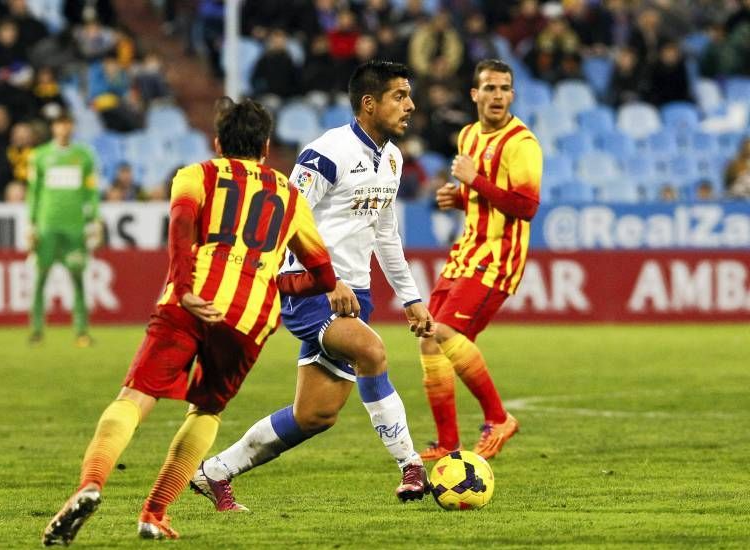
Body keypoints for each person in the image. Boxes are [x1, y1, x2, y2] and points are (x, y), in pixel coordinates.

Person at [41, 98, 336, 546]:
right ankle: (154, 513)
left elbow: (179, 229)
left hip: (188, 301)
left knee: (135, 396)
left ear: (217, 142)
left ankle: (91, 483)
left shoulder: (195, 175)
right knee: (208, 410)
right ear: (267, 146)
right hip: (248, 319)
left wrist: (183, 288)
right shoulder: (290, 197)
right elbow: (321, 274)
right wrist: (273, 287)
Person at [191, 60, 434, 512]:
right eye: (399, 96)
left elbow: (386, 234)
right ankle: (411, 466)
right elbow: (285, 220)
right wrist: (328, 279)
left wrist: (411, 297)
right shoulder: (327, 153)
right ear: (369, 103)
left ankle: (215, 471)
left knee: (315, 414)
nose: (410, 105)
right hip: (310, 289)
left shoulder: (394, 159)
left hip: (354, 294)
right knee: (373, 353)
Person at [417, 59, 543, 461]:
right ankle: (448, 442)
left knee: (447, 331)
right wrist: (459, 197)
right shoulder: (468, 136)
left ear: (512, 95)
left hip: (499, 257)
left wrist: (474, 182)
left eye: (505, 88)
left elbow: (525, 207)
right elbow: (484, 198)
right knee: (427, 336)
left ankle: (498, 418)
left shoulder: (522, 144)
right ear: (475, 95)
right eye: (490, 88)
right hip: (467, 249)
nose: (498, 96)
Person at [26, 111, 100, 346]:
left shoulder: (84, 156)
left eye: (67, 124)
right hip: (47, 225)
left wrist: (95, 220)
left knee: (77, 277)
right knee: (40, 277)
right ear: (53, 127)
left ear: (72, 126)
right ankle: (36, 330)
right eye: (59, 124)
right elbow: (33, 193)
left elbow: (91, 191)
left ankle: (81, 331)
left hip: (74, 226)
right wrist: (31, 223)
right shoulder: (39, 156)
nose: (63, 128)